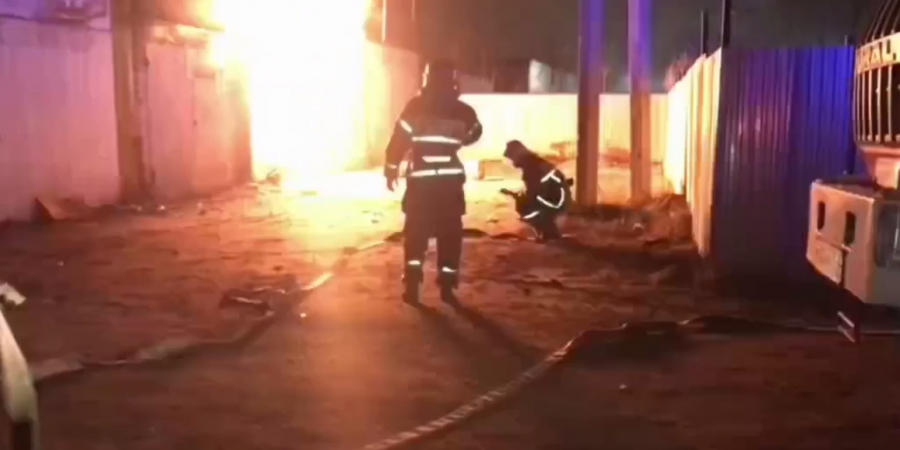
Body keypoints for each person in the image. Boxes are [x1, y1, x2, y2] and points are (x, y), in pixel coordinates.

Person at [383, 60, 483, 304]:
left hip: (421, 185)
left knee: (416, 235)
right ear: (452, 81)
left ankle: (412, 286)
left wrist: (391, 169)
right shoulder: (463, 111)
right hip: (450, 186)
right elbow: (476, 132)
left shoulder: (415, 107)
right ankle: (447, 286)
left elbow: (399, 139)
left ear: (427, 79)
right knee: (450, 236)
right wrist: (458, 140)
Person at [501, 140, 572, 241]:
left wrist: (517, 197)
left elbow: (534, 193)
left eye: (512, 158)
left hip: (556, 203)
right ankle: (547, 230)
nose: (512, 162)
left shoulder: (532, 168)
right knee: (528, 203)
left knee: (525, 207)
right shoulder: (534, 163)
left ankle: (549, 231)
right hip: (559, 200)